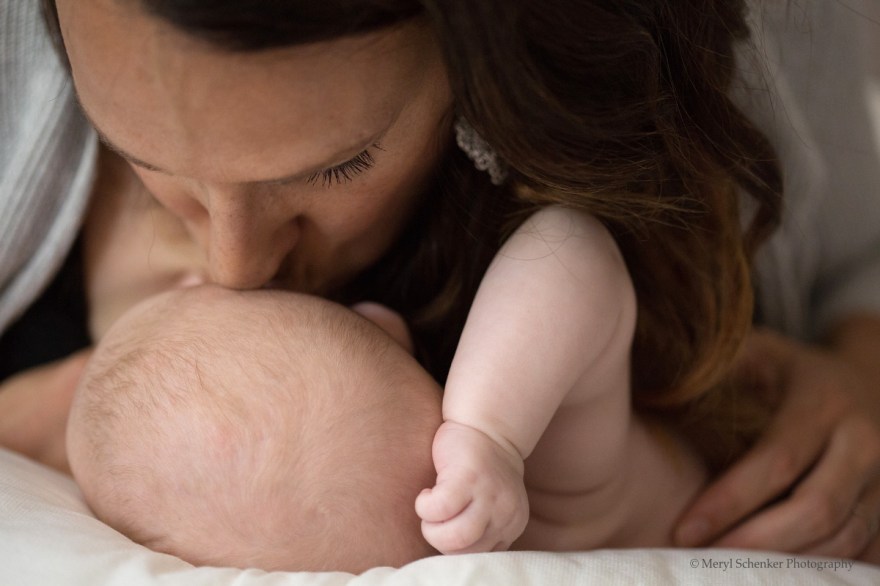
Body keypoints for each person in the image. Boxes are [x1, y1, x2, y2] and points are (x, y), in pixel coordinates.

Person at [2, 0, 880, 562]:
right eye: (136, 150)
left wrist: (866, 365)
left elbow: (573, 258)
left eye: (340, 165)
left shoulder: (532, 463)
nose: (237, 268)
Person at [67, 284, 709, 572]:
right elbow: (569, 250)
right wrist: (488, 431)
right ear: (382, 323)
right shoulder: (551, 480)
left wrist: (492, 431)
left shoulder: (545, 473)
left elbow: (575, 247)